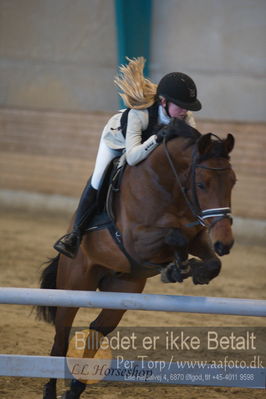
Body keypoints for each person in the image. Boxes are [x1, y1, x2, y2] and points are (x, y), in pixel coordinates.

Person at [54, 57, 202, 259]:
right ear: (164, 101)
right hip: (117, 141)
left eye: (188, 106)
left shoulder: (185, 118)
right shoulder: (139, 114)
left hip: (145, 145)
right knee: (98, 179)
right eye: (181, 105)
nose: (185, 111)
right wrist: (158, 137)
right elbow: (132, 158)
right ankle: (75, 234)